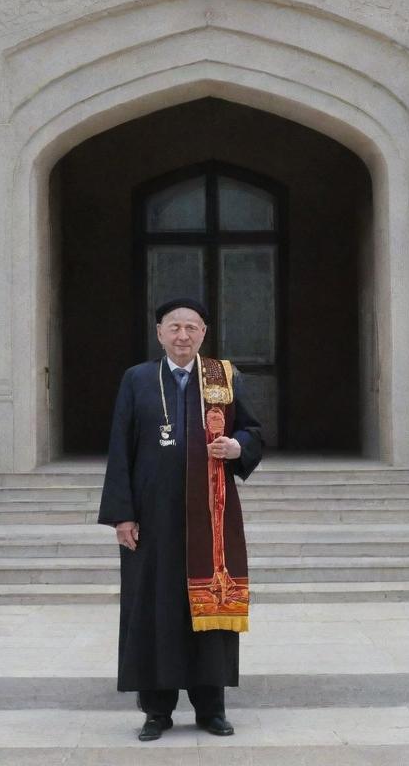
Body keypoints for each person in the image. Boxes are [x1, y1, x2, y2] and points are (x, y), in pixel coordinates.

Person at [98, 297, 263, 741]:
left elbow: (253, 431)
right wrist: (122, 515)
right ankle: (157, 711)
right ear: (159, 333)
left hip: (211, 519)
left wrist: (238, 447)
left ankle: (211, 708)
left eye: (191, 327)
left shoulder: (222, 378)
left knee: (209, 614)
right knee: (155, 608)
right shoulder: (137, 380)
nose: (183, 335)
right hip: (152, 521)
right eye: (174, 327)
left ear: (204, 333)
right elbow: (120, 448)